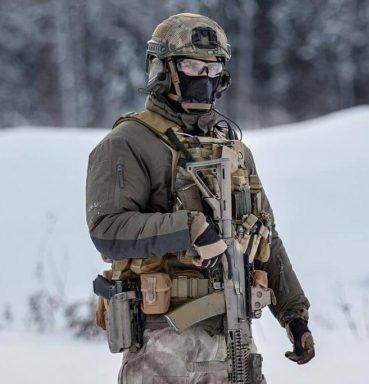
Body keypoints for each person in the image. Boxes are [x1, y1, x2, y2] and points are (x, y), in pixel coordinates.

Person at [86, 13, 314, 384]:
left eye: (212, 67)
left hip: (234, 336)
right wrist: (188, 229)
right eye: (192, 65)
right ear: (163, 70)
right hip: (164, 341)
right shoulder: (128, 143)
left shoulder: (233, 148)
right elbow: (107, 227)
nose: (203, 77)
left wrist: (293, 313)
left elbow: (264, 235)